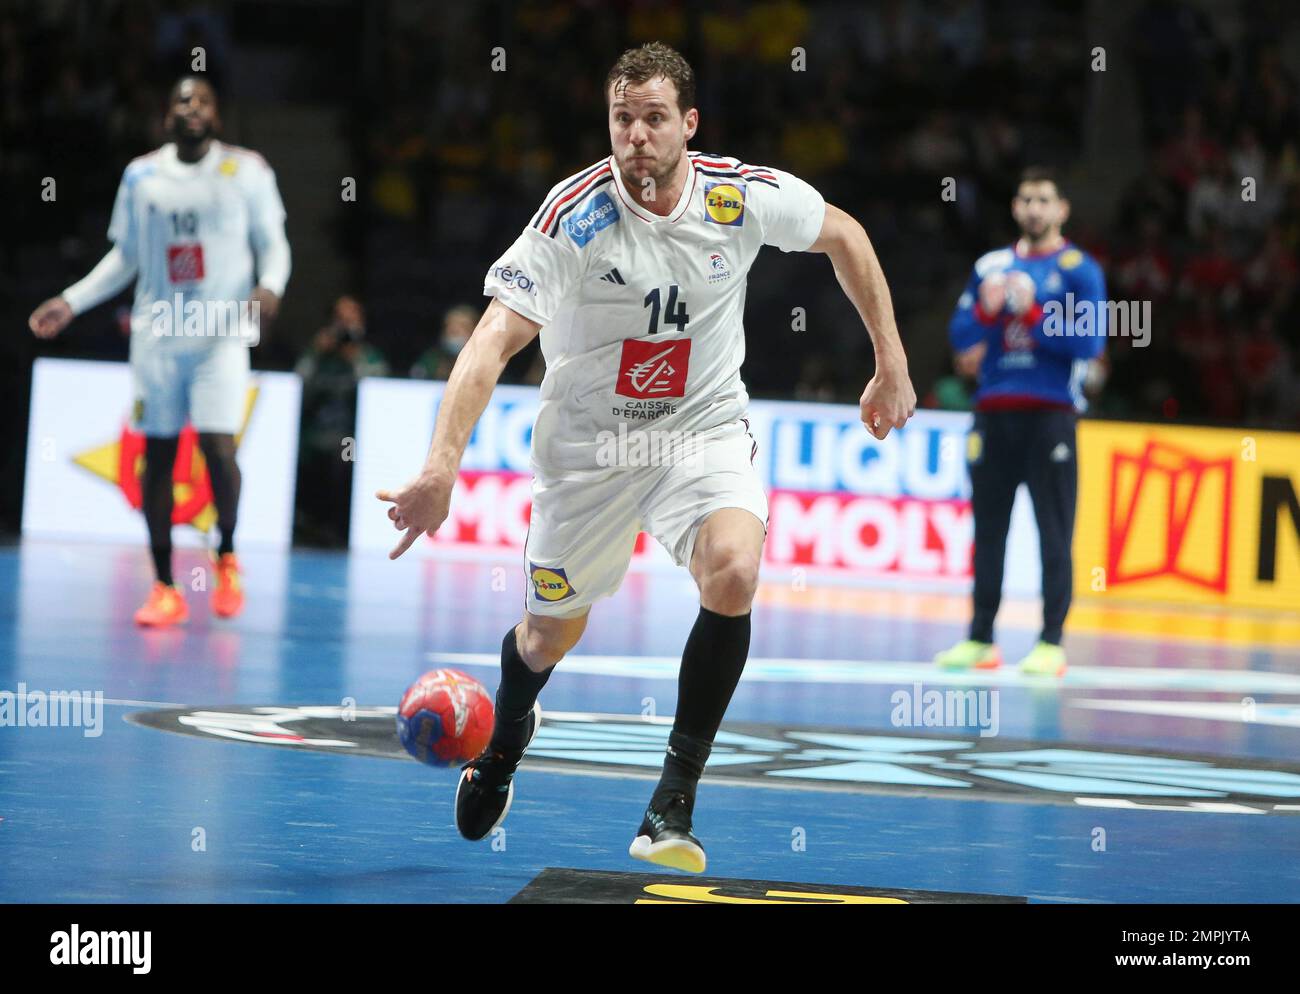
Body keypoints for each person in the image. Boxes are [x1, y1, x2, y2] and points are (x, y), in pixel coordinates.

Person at [378, 42, 914, 873]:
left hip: (698, 431)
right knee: (546, 637)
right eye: (622, 119)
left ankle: (674, 798)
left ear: (688, 125)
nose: (636, 136)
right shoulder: (573, 217)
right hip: (590, 452)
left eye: (655, 118)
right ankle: (506, 744)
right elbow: (489, 343)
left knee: (733, 571)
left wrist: (891, 360)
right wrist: (443, 466)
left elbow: (844, 233)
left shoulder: (737, 197)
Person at [28, 76, 290, 626]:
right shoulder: (142, 175)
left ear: (217, 115)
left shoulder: (247, 170)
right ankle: (166, 585)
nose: (191, 108)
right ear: (165, 115)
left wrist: (270, 286)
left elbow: (274, 244)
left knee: (219, 448)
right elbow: (124, 257)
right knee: (160, 458)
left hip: (219, 334)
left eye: (202, 101)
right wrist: (71, 302)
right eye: (181, 100)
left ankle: (226, 553)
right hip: (158, 336)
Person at [937, 167, 1106, 677]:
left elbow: (1090, 344)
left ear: (1061, 210)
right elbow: (960, 333)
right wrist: (988, 313)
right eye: (1026, 199)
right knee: (989, 532)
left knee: (1054, 533)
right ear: (1015, 208)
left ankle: (1051, 642)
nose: (1034, 208)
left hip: (1051, 416)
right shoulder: (991, 265)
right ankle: (980, 639)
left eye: (1044, 200)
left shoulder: (1080, 269)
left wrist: (1033, 314)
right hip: (993, 414)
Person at [410, 304, 476, 380]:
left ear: (475, 329)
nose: (454, 331)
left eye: (463, 326)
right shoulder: (431, 359)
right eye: (450, 325)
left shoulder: (484, 359)